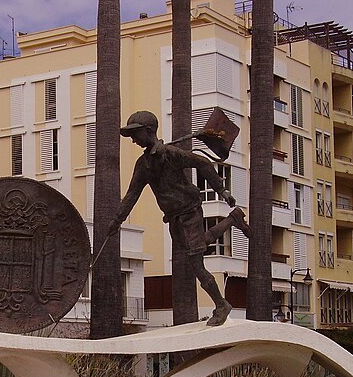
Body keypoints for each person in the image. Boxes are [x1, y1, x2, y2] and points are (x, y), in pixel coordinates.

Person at [108, 110, 251, 326]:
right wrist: (117, 220)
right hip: (173, 218)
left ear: (149, 132)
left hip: (189, 212)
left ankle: (222, 305)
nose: (134, 140)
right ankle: (234, 219)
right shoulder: (143, 165)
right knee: (199, 246)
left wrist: (222, 191)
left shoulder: (170, 154)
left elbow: (202, 163)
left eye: (135, 134)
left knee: (196, 264)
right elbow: (132, 195)